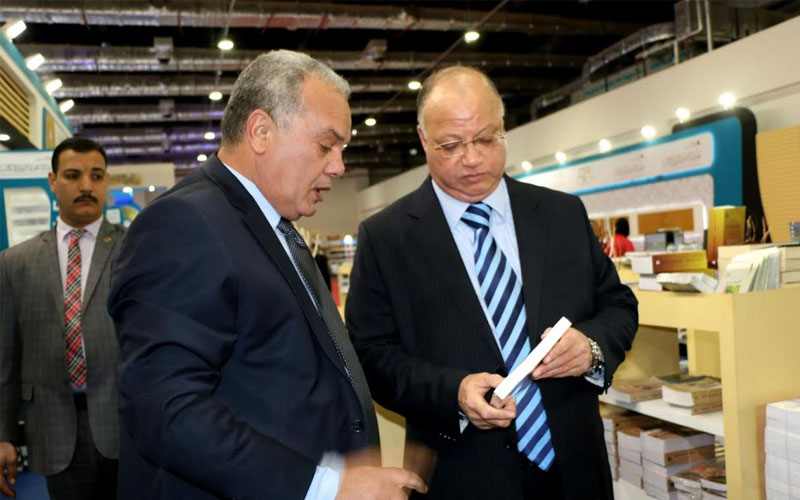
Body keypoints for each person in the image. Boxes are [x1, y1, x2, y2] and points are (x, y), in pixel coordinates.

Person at [107, 50, 425, 500]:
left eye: (342, 149)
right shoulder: (183, 224)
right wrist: (324, 485)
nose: (339, 166)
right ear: (260, 131)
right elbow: (166, 409)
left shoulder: (272, 226)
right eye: (325, 145)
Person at [345, 66, 639, 500]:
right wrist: (452, 393)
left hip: (576, 470)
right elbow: (371, 356)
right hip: (463, 477)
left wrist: (591, 347)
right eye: (451, 145)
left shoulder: (561, 215)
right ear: (423, 139)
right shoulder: (386, 238)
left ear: (503, 128)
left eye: (486, 139)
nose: (472, 158)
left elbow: (618, 305)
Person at [1, 137, 122, 500]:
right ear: (52, 182)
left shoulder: (135, 249)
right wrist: (3, 435)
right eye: (73, 175)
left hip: (125, 425)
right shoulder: (15, 263)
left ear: (107, 181)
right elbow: (5, 359)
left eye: (96, 176)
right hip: (53, 428)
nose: (86, 186)